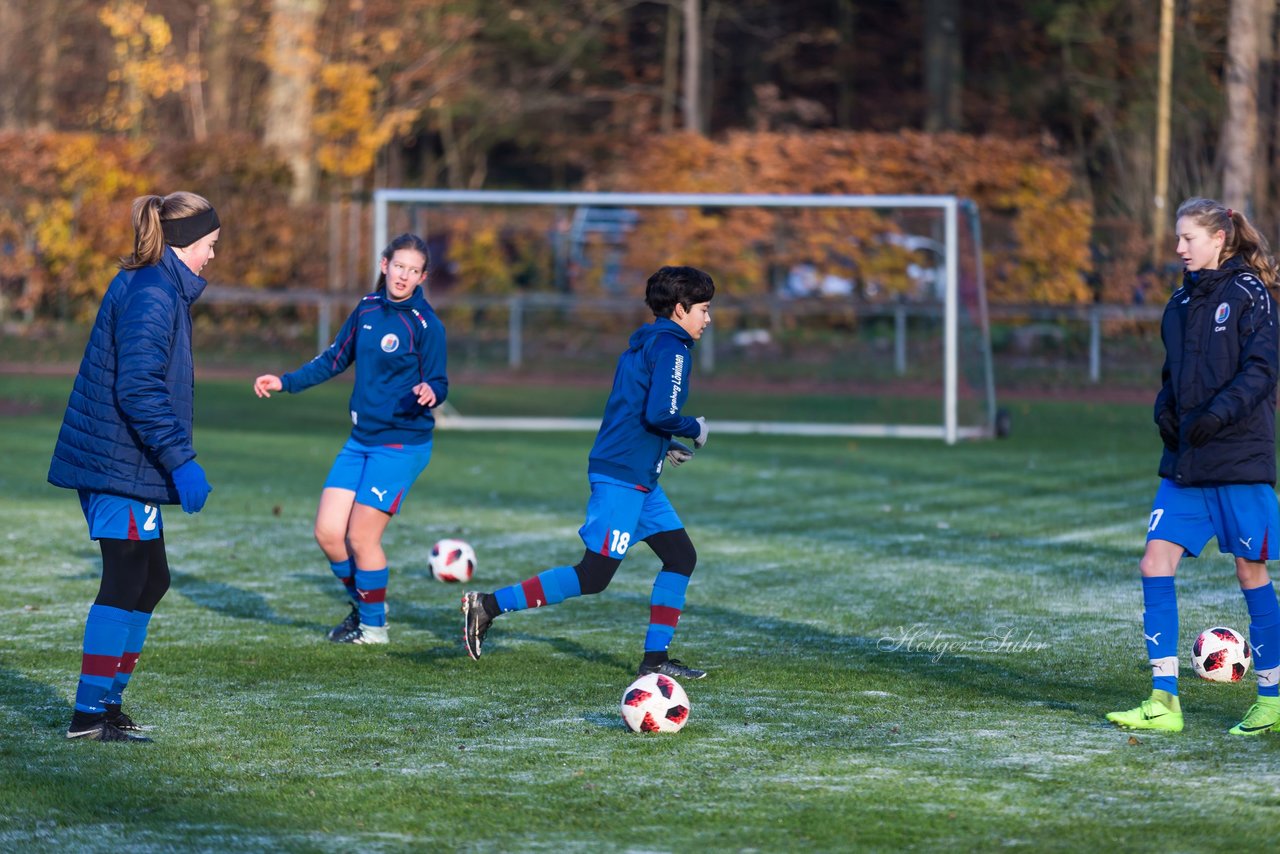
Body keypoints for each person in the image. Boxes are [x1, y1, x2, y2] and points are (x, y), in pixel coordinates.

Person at [462, 265, 713, 679]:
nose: (707, 319)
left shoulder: (643, 345)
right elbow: (661, 412)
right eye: (703, 309)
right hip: (622, 477)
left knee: (681, 556)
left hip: (637, 473)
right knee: (594, 575)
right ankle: (486, 605)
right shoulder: (673, 348)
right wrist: (695, 428)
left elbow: (633, 410)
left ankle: (655, 661)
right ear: (681, 309)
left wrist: (664, 445)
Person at [48, 191, 221, 742]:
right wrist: (183, 461)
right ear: (185, 243)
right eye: (210, 245)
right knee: (126, 579)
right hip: (116, 461)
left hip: (125, 461)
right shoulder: (153, 293)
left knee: (152, 578)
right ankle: (88, 716)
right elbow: (139, 389)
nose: (213, 257)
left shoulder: (158, 284)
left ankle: (107, 705)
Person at [1107, 198, 1280, 736]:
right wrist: (1166, 413)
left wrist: (1215, 416)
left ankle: (1272, 700)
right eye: (1178, 238)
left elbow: (1262, 371)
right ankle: (1164, 701)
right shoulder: (1179, 301)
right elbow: (1171, 375)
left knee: (1251, 572)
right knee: (1153, 565)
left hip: (1239, 460)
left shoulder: (1252, 294)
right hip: (1186, 463)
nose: (1179, 248)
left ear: (1218, 240)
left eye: (1187, 238)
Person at [253, 233, 447, 645]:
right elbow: (333, 359)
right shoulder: (367, 309)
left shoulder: (426, 324)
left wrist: (432, 391)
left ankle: (374, 628)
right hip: (361, 438)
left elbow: (440, 379)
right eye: (398, 266)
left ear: (422, 277)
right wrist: (285, 381)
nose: (403, 275)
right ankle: (366, 604)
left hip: (401, 443)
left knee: (361, 537)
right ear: (384, 265)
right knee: (327, 532)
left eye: (413, 271)